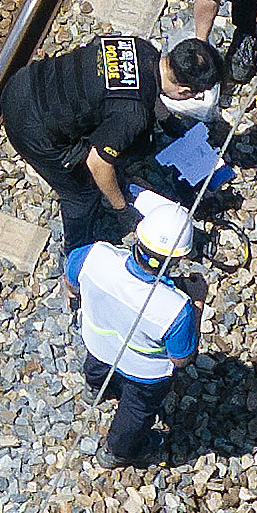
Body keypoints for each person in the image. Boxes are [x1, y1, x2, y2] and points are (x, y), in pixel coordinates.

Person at [1, 33, 224, 257]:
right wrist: (121, 208)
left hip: (24, 83)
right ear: (185, 90)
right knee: (82, 196)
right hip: (31, 130)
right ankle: (76, 260)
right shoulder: (133, 114)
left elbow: (144, 84)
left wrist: (166, 120)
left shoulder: (142, 48)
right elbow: (98, 163)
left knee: (137, 135)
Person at [69, 190, 201, 468]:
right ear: (176, 259)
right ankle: (117, 452)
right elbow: (181, 358)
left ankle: (95, 389)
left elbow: (70, 285)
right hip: (145, 374)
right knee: (136, 411)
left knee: (97, 367)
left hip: (97, 343)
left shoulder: (94, 255)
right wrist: (197, 303)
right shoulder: (177, 309)